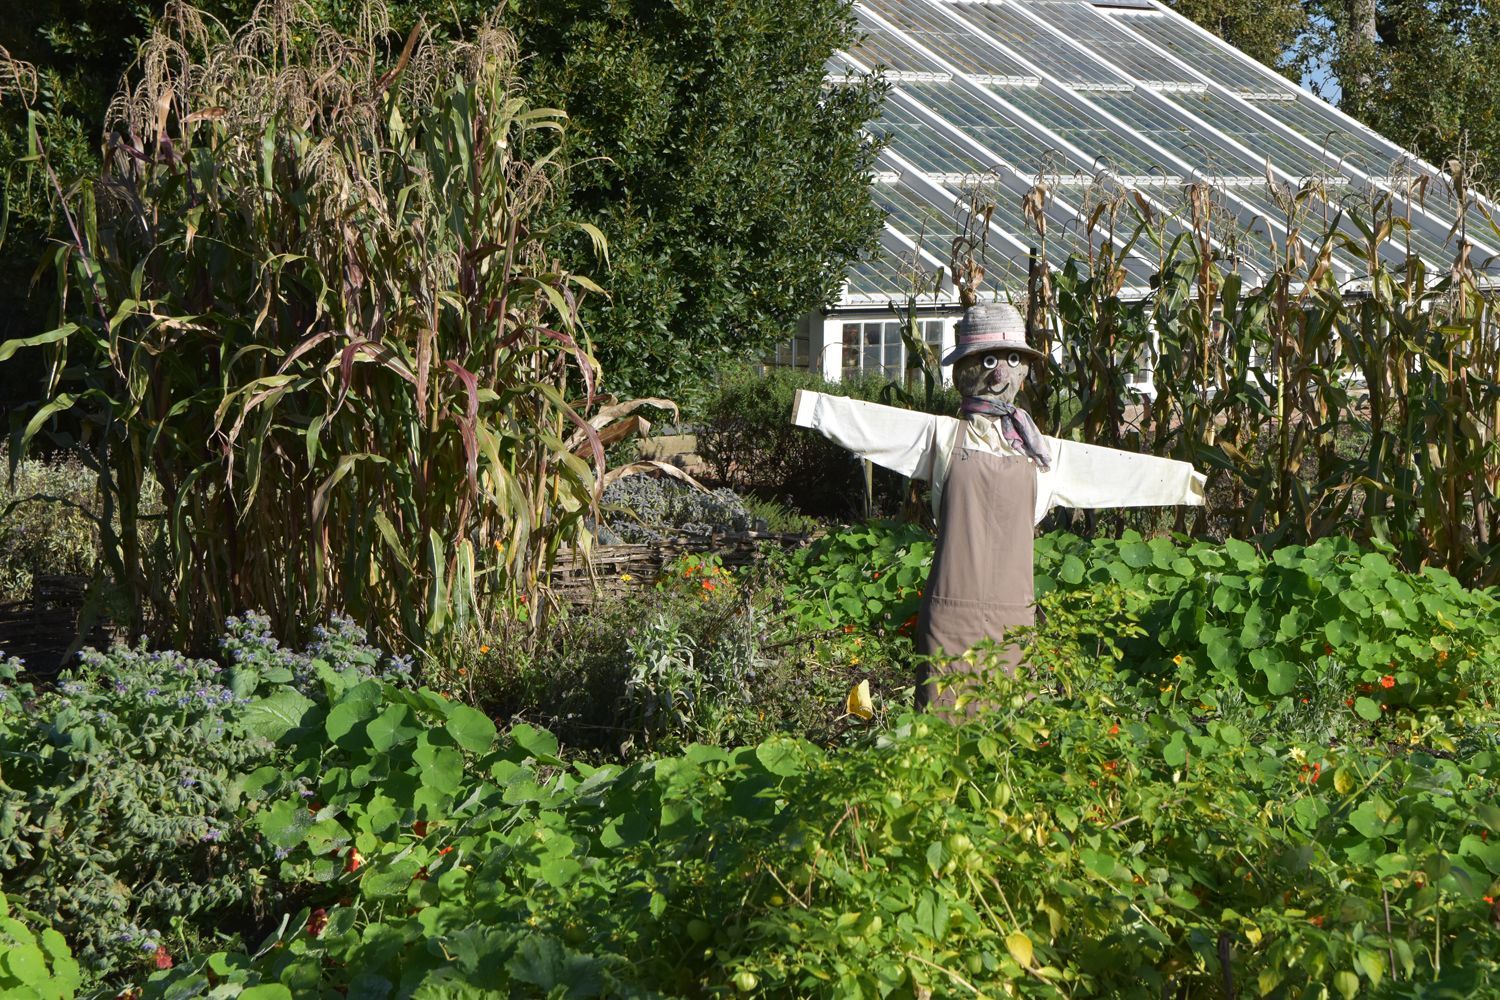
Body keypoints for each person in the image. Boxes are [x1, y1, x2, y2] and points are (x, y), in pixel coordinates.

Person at [791, 302, 1205, 713]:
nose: (999, 373)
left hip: (1014, 618)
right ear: (963, 371)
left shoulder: (1042, 452)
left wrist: (1186, 483)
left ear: (1024, 369)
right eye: (988, 360)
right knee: (941, 726)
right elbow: (870, 425)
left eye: (1011, 360)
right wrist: (814, 409)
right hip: (950, 614)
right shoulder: (941, 437)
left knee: (1006, 729)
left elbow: (1115, 472)